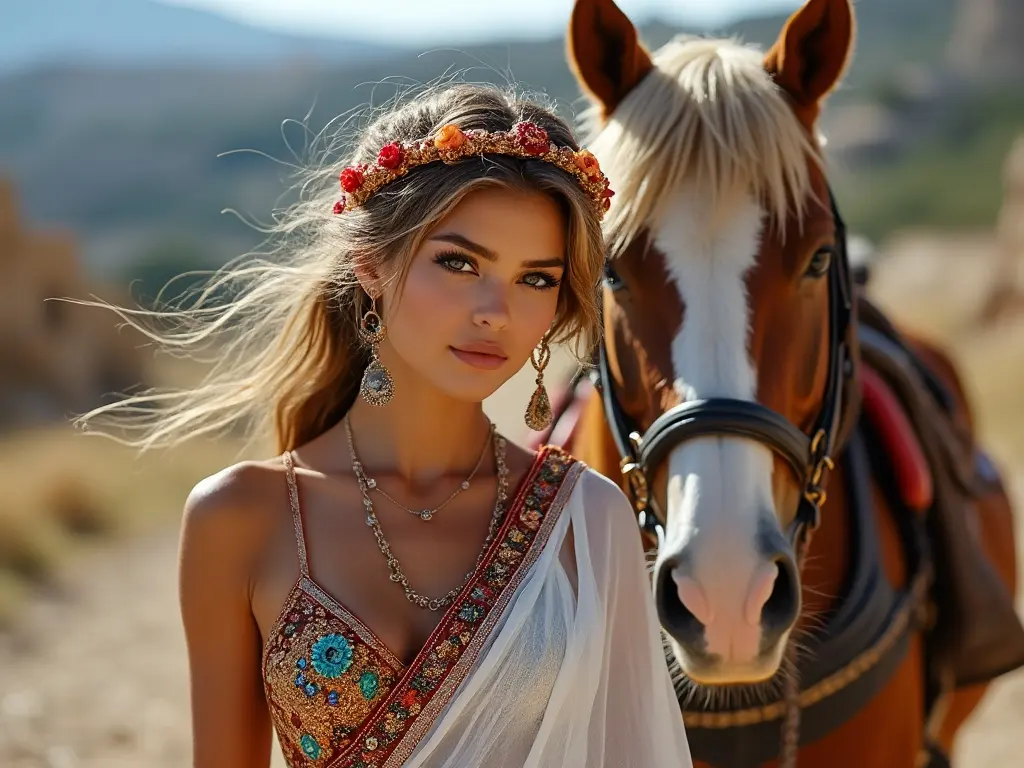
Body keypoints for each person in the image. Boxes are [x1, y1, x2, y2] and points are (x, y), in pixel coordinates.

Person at [80, 83, 692, 767]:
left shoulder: (587, 520)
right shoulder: (239, 517)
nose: (497, 311)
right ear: (370, 265)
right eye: (459, 264)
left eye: (536, 279)